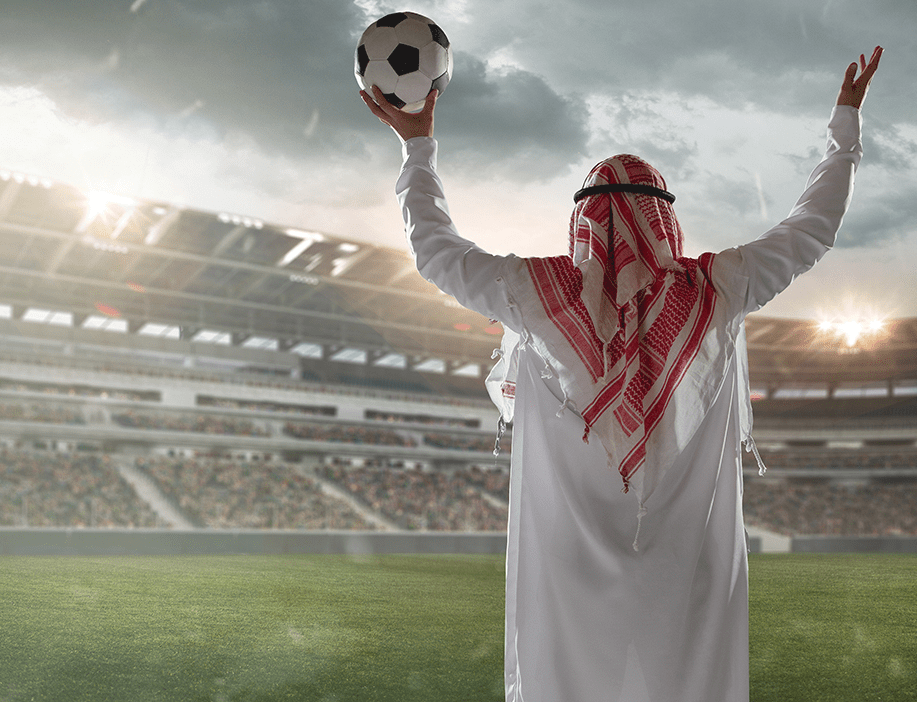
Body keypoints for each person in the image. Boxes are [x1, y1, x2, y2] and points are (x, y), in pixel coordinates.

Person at [362, 45, 882, 702]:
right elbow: (813, 227)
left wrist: (418, 149)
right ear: (666, 217)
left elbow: (433, 249)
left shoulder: (533, 291)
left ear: (583, 216)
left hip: (566, 563)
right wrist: (844, 134)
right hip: (688, 559)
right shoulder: (718, 288)